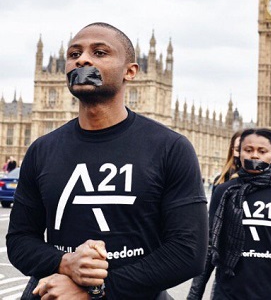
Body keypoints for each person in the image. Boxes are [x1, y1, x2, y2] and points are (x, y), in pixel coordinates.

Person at [6, 22, 208, 299]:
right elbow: (19, 240)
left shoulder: (170, 148)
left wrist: (94, 291)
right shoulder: (42, 150)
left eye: (100, 53)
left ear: (131, 71)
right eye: (74, 54)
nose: (83, 59)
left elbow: (188, 252)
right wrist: (65, 264)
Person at [210, 128, 271, 299]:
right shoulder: (224, 191)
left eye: (262, 151)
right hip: (229, 292)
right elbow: (209, 247)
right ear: (239, 153)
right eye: (248, 150)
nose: (254, 156)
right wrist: (194, 294)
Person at [187, 130, 242, 300]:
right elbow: (212, 238)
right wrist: (194, 294)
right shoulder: (222, 183)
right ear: (232, 150)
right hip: (227, 271)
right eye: (239, 149)